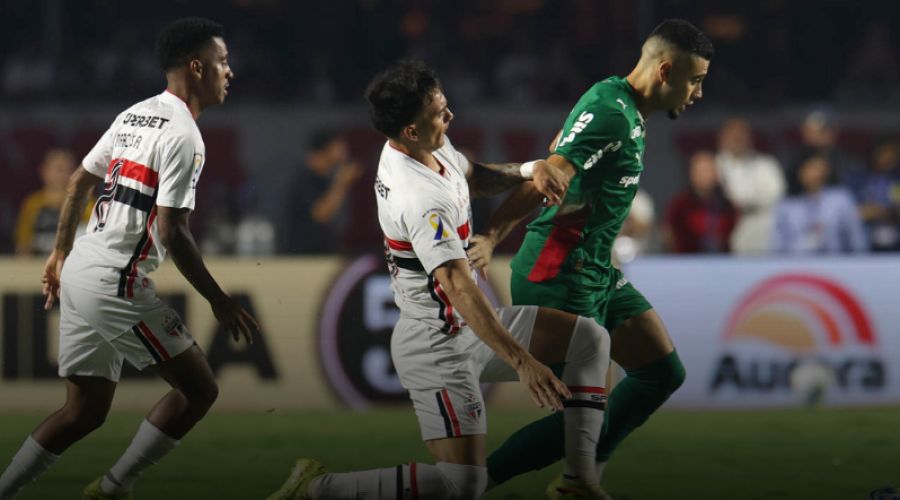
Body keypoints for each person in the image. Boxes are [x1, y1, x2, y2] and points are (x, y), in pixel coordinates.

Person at [268, 59, 613, 500]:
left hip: (466, 325)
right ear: (411, 130)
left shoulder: (426, 146)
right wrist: (522, 361)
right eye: (439, 112)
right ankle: (317, 491)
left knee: (590, 341)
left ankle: (578, 482)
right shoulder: (418, 198)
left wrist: (532, 169)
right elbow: (456, 284)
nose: (450, 115)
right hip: (437, 344)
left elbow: (475, 177)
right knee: (461, 485)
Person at [0, 17, 258, 500]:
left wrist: (60, 253)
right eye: (223, 61)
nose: (230, 71)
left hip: (81, 267)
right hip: (114, 280)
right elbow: (173, 232)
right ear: (196, 67)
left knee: (84, 411)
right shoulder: (185, 136)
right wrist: (219, 300)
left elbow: (78, 182)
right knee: (199, 390)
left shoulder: (134, 114)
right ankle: (114, 486)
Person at [465, 19, 713, 496]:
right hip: (559, 272)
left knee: (661, 373)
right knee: (579, 416)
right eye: (695, 80)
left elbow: (561, 166)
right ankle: (468, 485)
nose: (698, 93)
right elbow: (548, 176)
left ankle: (580, 479)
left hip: (595, 268)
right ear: (665, 71)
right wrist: (493, 233)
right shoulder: (611, 113)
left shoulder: (622, 105)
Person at [281, 131, 363, 254]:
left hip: (324, 252)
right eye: (338, 147)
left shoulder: (327, 178)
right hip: (304, 256)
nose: (344, 152)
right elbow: (320, 214)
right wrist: (342, 183)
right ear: (326, 149)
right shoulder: (304, 179)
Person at [771, 153, 867, 254]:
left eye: (820, 169)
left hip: (835, 261)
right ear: (799, 171)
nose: (815, 174)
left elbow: (856, 238)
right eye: (810, 168)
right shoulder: (786, 205)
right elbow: (776, 244)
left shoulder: (841, 199)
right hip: (796, 261)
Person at [715, 117, 785, 255]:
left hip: (761, 224)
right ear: (723, 138)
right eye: (733, 137)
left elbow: (776, 195)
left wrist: (744, 200)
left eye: (741, 136)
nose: (737, 140)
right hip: (726, 224)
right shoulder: (715, 165)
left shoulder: (766, 164)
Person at [14, 149, 92, 255]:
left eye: (68, 170)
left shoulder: (85, 202)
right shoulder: (32, 203)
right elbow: (23, 243)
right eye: (58, 169)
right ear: (44, 171)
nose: (63, 174)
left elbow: (93, 238)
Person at [663, 150, 737, 253]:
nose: (704, 175)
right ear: (692, 174)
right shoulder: (680, 204)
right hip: (686, 259)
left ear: (716, 174)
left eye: (708, 170)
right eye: (700, 171)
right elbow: (668, 235)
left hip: (721, 259)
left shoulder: (727, 206)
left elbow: (733, 236)